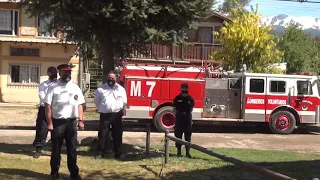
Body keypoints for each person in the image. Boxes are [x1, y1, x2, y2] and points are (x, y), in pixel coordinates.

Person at [44, 63, 85, 180]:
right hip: (58, 123)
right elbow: (48, 106)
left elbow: (80, 105)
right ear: (60, 73)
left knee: (72, 149)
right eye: (65, 72)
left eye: (69, 72)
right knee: (56, 149)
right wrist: (50, 123)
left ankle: (74, 173)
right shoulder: (53, 87)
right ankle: (54, 172)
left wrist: (80, 120)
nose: (67, 74)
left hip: (71, 122)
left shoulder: (75, 87)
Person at [94, 71, 127, 159]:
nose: (111, 79)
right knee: (103, 135)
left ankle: (118, 153)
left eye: (113, 78)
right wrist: (104, 107)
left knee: (117, 134)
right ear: (107, 78)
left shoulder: (121, 89)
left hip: (117, 115)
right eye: (109, 78)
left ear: (116, 78)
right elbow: (97, 102)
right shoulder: (101, 89)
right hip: (105, 115)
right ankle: (100, 153)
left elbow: (124, 101)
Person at [32, 67, 58, 159]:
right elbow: (42, 96)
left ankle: (55, 151)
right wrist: (50, 102)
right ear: (48, 73)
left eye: (55, 72)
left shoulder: (59, 84)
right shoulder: (43, 84)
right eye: (51, 72)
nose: (54, 73)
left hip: (56, 109)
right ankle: (38, 150)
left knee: (57, 130)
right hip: (44, 109)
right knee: (42, 129)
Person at [173, 83, 194, 158]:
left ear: (188, 89)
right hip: (179, 118)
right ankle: (178, 152)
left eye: (186, 88)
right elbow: (174, 109)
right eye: (183, 88)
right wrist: (178, 116)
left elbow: (191, 109)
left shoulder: (190, 99)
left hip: (187, 119)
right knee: (178, 136)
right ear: (181, 88)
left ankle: (187, 153)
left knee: (188, 136)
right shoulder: (177, 98)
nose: (184, 89)